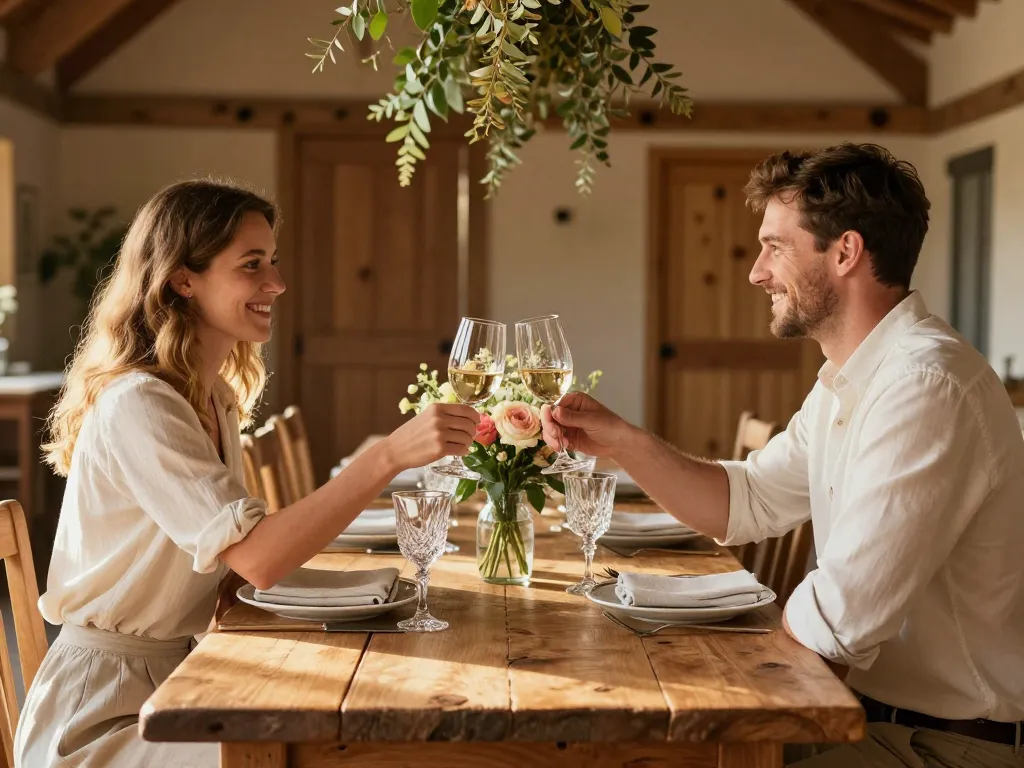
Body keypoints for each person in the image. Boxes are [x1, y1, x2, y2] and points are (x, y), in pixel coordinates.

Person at [542, 144, 1024, 767]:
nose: (756, 272)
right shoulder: (853, 378)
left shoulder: (926, 386)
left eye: (775, 246)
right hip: (866, 718)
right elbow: (746, 501)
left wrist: (727, 640)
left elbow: (840, 617)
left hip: (942, 746)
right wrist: (624, 443)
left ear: (845, 252)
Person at [15, 179, 480, 767]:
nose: (277, 284)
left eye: (274, 262)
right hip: (98, 718)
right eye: (251, 265)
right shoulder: (140, 403)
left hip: (180, 682)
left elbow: (234, 572)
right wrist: (386, 458)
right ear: (184, 279)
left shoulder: (213, 399)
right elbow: (256, 558)